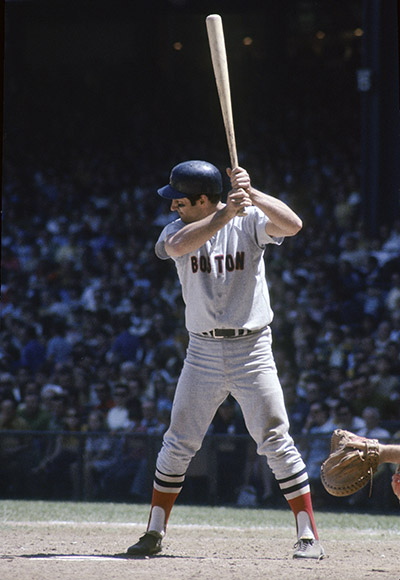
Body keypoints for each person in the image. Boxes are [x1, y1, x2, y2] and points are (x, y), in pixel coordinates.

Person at [126, 160, 324, 559]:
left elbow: (293, 225)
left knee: (275, 440)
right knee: (179, 442)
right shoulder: (179, 230)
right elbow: (177, 247)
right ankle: (154, 532)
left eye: (179, 201)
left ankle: (308, 536)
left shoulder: (248, 219)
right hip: (201, 351)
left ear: (202, 199)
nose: (171, 208)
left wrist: (253, 195)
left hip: (252, 349)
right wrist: (223, 214)